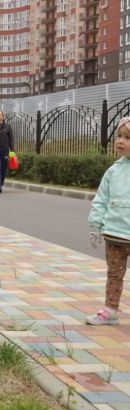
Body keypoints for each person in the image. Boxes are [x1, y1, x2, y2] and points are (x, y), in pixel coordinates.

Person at [86, 116, 130, 326]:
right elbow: (101, 199)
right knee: (114, 274)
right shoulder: (113, 171)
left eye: (128, 138)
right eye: (119, 136)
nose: (121, 141)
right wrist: (96, 225)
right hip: (114, 233)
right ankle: (110, 310)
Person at [0, 110, 15, 194]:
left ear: (2, 116)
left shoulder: (7, 126)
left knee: (3, 168)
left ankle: (1, 182)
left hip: (5, 150)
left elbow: (11, 139)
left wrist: (12, 151)